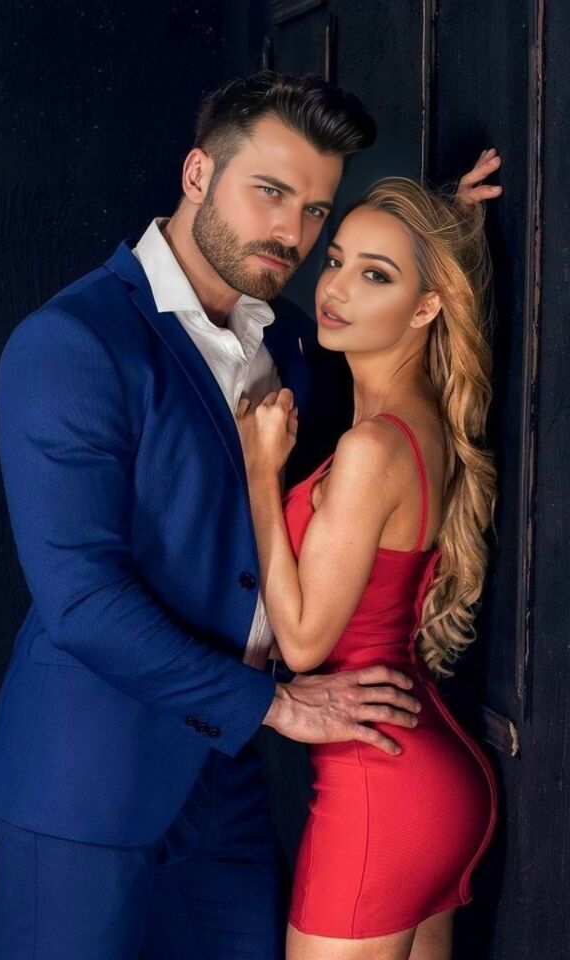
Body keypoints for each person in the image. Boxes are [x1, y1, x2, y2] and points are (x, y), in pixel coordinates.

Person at [0, 69, 501, 959]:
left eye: (316, 209)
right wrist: (278, 706)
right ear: (197, 174)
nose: (292, 232)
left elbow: (393, 336)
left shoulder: (292, 338)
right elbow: (83, 602)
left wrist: (439, 228)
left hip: (228, 792)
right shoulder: (74, 341)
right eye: (270, 192)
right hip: (86, 786)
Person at [236, 176, 499, 960]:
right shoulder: (420, 423)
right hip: (431, 777)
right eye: (338, 260)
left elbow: (304, 642)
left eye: (375, 275)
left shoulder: (372, 449)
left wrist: (260, 473)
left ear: (426, 308)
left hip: (376, 787)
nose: (337, 288)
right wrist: (449, 218)